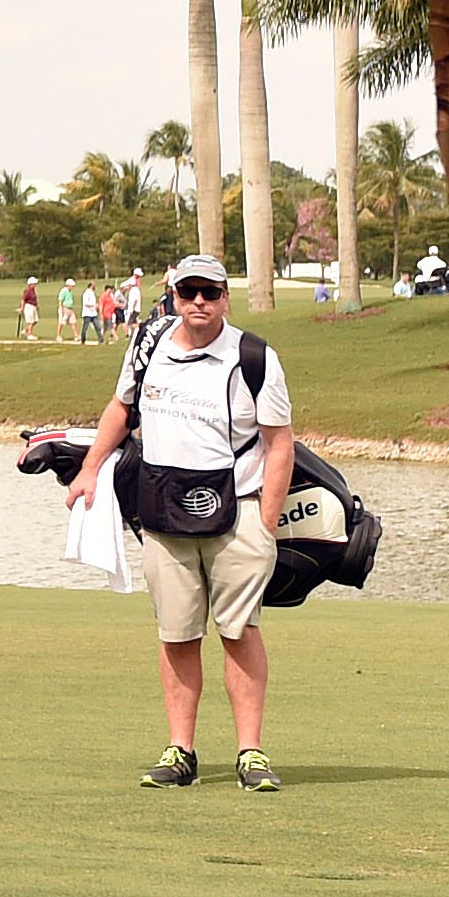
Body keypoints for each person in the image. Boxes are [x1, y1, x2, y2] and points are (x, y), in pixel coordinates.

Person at [61, 254, 296, 793]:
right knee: (177, 634)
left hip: (237, 514)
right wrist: (90, 470)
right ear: (172, 294)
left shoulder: (254, 357)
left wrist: (265, 520)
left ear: (224, 298)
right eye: (188, 291)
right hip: (163, 515)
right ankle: (181, 751)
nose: (198, 302)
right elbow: (121, 409)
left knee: (239, 632)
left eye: (209, 292)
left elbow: (279, 443)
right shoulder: (148, 347)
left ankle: (251, 754)